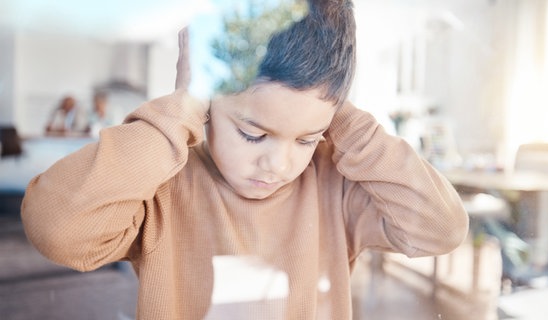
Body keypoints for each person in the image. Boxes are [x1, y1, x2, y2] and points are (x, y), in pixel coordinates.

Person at [21, 0, 469, 319]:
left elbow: (440, 230)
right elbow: (56, 227)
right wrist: (183, 106)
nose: (278, 164)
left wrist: (341, 116)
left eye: (307, 139)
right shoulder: (162, 182)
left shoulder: (337, 185)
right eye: (253, 135)